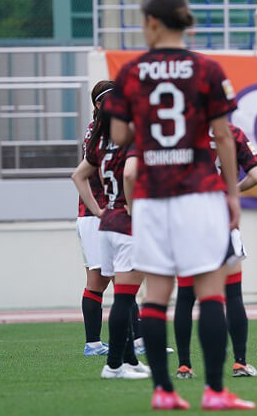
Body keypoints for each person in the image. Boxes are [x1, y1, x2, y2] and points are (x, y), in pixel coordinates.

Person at [104, 0, 255, 410]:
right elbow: (222, 135)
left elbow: (119, 134)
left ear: (153, 22)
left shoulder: (131, 72)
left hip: (152, 196)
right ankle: (214, 391)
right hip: (199, 193)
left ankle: (163, 391)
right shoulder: (206, 68)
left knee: (156, 295)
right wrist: (231, 193)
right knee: (210, 292)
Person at [174, 122, 257, 380]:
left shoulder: (181, 131)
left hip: (188, 221)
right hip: (221, 220)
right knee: (232, 295)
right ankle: (239, 363)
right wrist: (230, 192)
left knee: (185, 297)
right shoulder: (231, 133)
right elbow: (255, 176)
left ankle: (184, 366)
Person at [72, 91, 150, 380]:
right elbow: (130, 175)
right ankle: (116, 363)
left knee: (122, 292)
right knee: (124, 294)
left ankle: (128, 358)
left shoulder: (100, 143)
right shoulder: (127, 142)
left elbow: (78, 175)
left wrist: (99, 210)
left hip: (106, 221)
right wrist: (132, 207)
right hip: (122, 222)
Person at [77, 81, 113, 357]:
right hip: (98, 216)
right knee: (106, 279)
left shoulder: (104, 128)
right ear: (99, 104)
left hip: (103, 214)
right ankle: (94, 343)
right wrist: (101, 210)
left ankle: (96, 343)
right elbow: (94, 174)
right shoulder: (102, 132)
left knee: (113, 278)